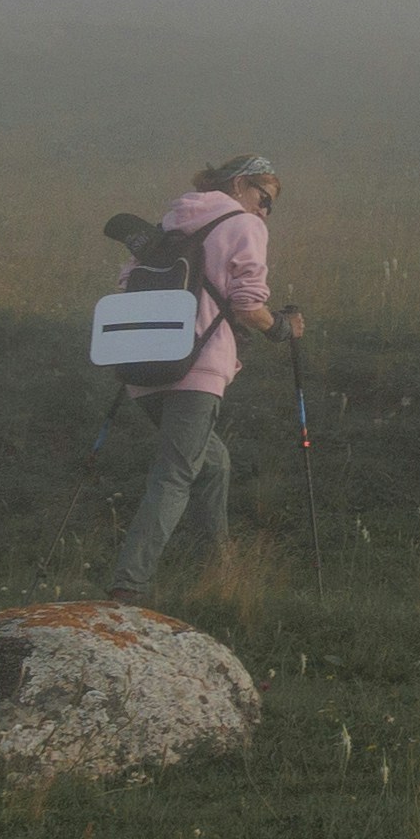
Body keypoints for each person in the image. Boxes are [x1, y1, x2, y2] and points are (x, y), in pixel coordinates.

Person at [108, 154, 294, 602]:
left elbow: (124, 286)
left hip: (143, 367)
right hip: (199, 366)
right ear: (239, 185)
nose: (265, 211)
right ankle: (129, 587)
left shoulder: (169, 225)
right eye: (264, 198)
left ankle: (217, 566)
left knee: (214, 462)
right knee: (174, 474)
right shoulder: (245, 227)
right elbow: (249, 306)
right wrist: (283, 328)